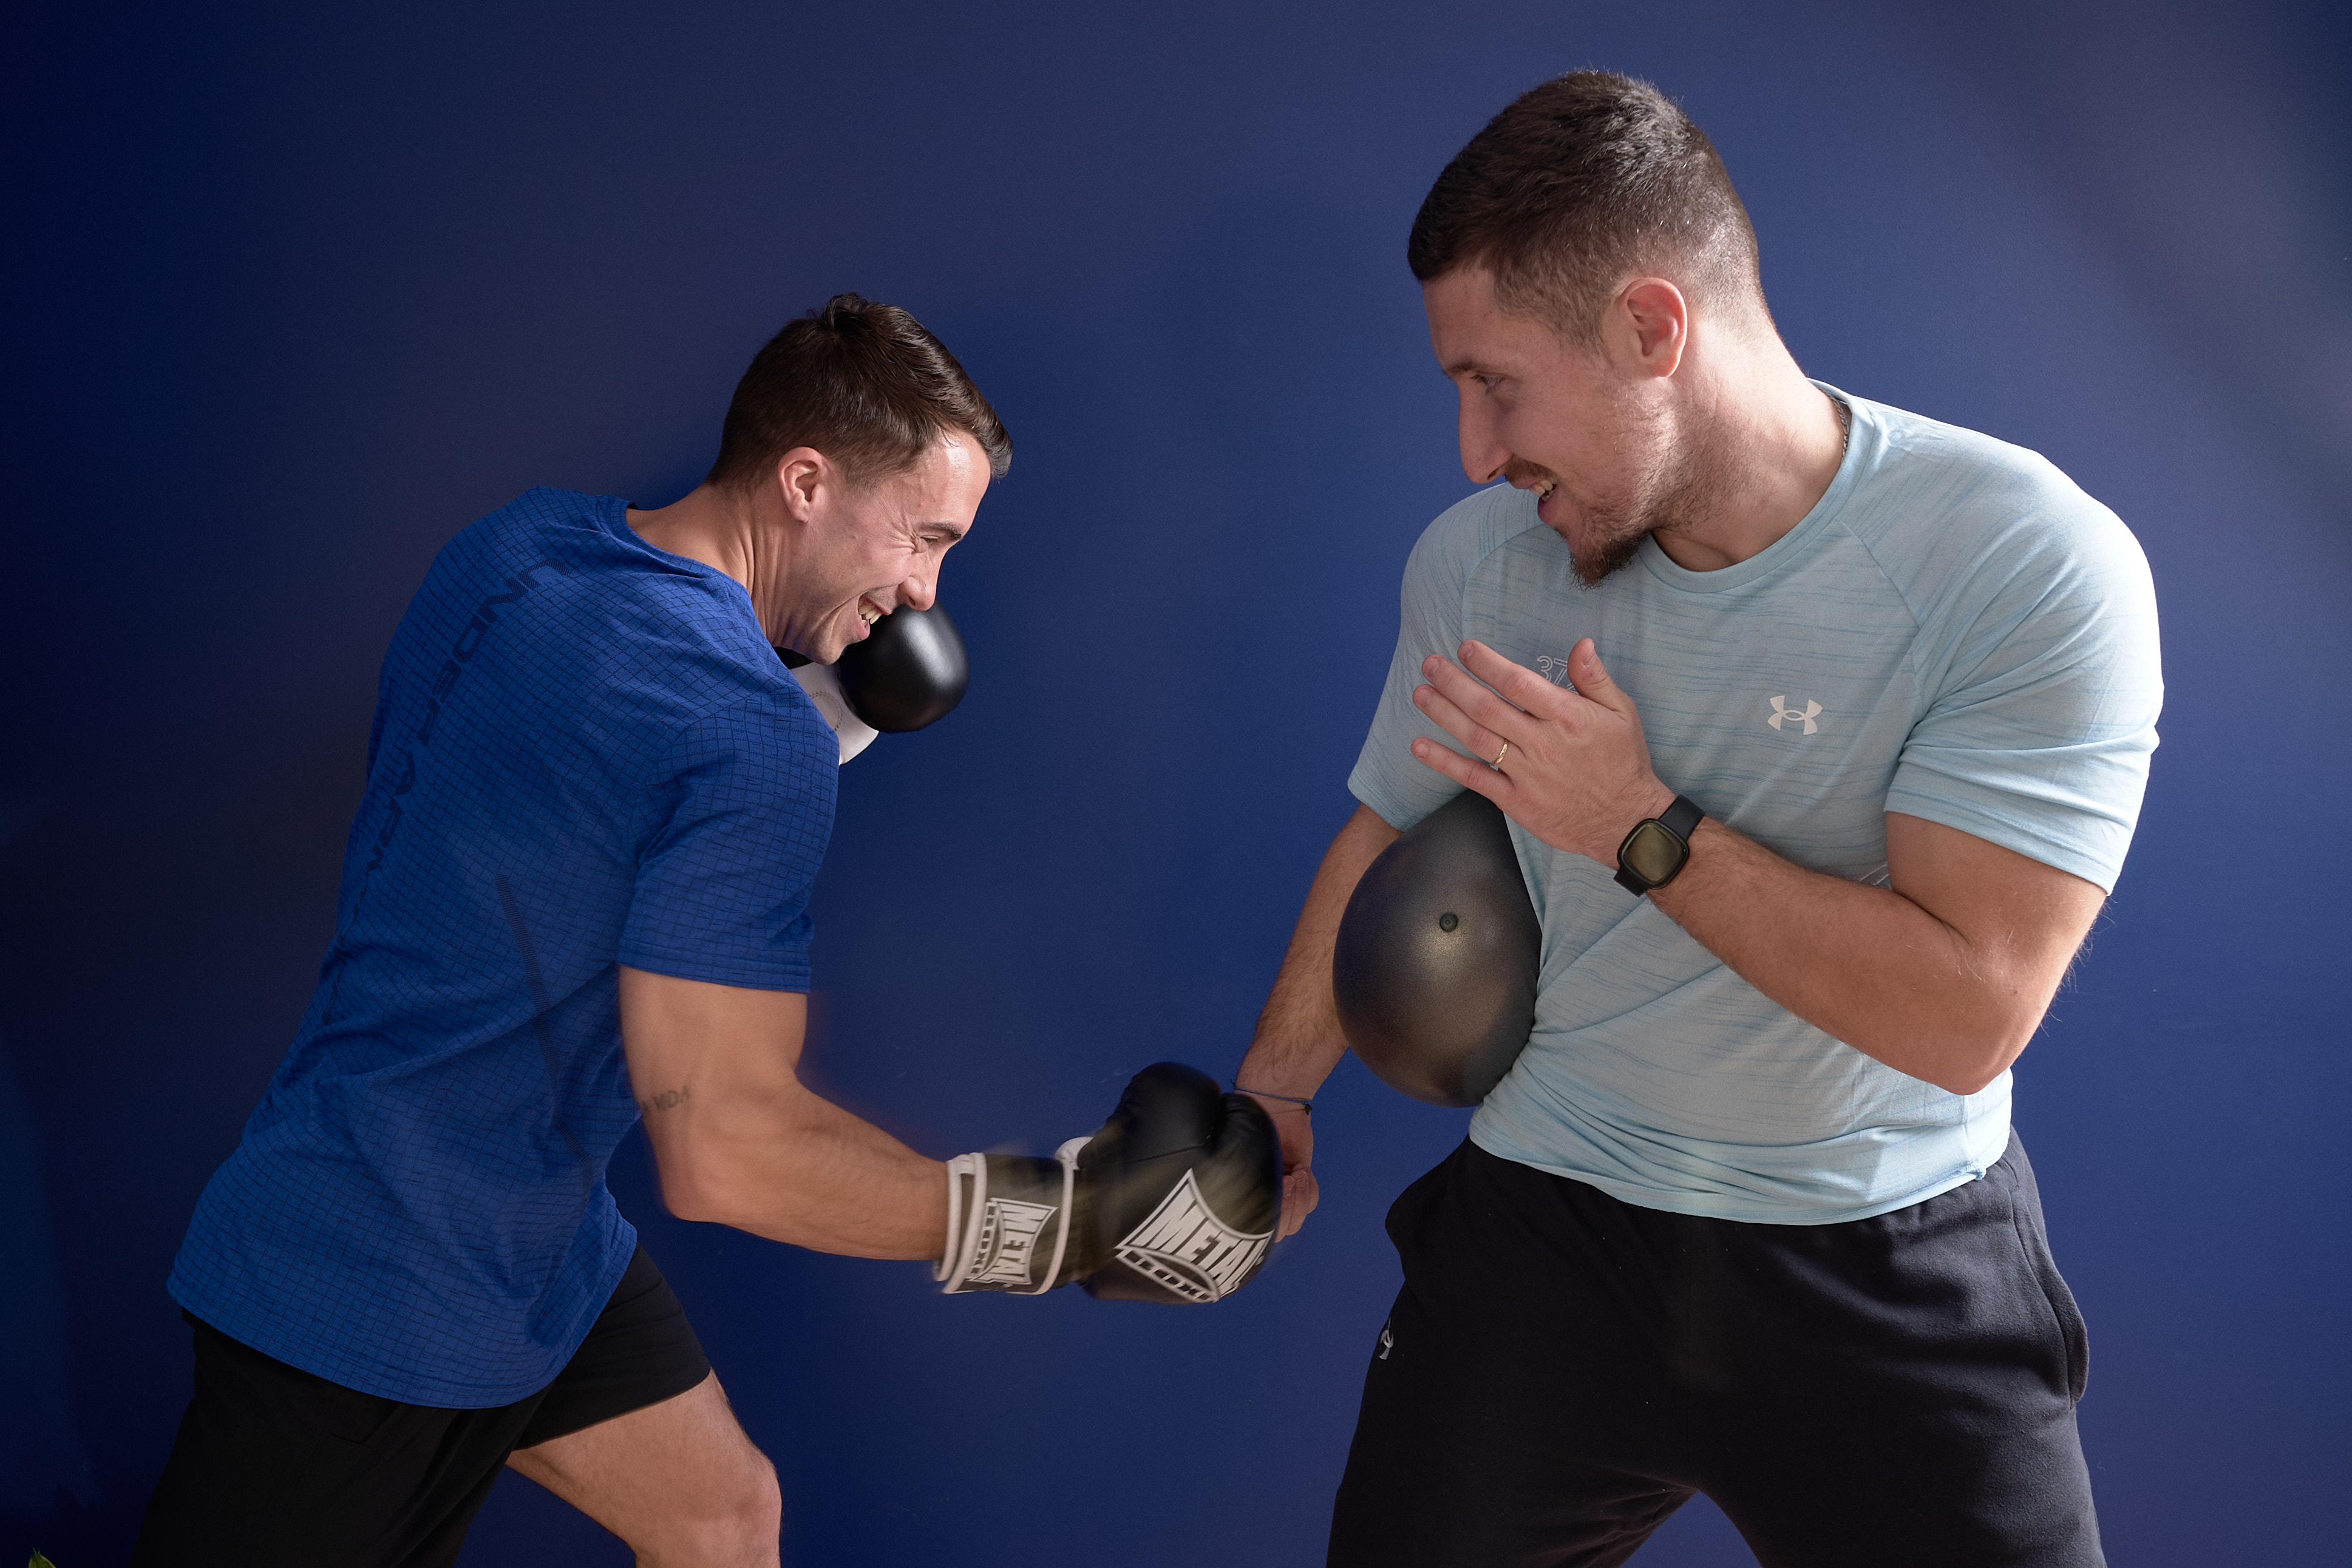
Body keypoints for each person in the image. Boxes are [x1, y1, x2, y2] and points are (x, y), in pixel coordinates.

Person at [135, 293, 1278, 1568]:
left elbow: (569, 780)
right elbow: (725, 1152)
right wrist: (1060, 1222)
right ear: (803, 481)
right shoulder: (749, 738)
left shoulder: (510, 549)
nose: (922, 595)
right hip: (375, 1288)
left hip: (520, 1220)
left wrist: (808, 715)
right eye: (923, 537)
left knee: (723, 1518)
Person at [1232, 73, 2161, 1568]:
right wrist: (1273, 1092)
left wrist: (1637, 824)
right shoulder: (1483, 560)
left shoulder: (2019, 562)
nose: (1474, 452)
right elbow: (1382, 827)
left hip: (1883, 1252)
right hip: (1553, 1228)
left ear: (1651, 331)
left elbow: (1964, 1012)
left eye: (1497, 383)